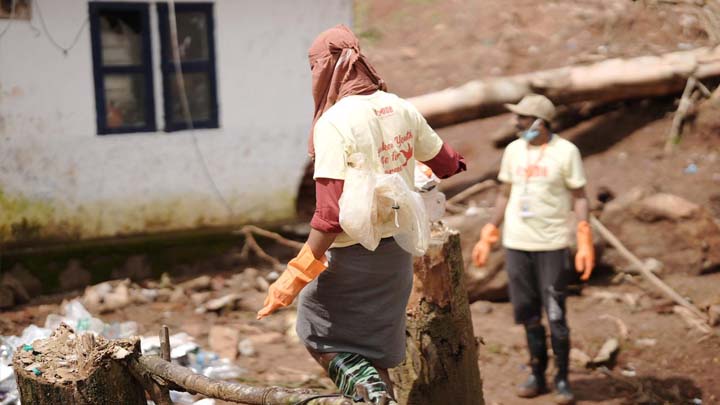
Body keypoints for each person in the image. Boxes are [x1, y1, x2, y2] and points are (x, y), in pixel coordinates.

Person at [256, 25, 466, 404]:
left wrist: (298, 270)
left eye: (315, 68)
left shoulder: (335, 122)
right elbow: (448, 163)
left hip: (349, 256)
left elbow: (330, 216)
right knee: (372, 351)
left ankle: (368, 392)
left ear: (329, 68)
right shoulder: (400, 106)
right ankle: (377, 395)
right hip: (396, 254)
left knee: (318, 334)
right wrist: (403, 166)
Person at [472, 94, 594, 405]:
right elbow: (505, 193)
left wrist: (583, 234)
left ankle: (563, 379)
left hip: (551, 244)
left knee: (555, 315)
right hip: (517, 244)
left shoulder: (566, 152)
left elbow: (579, 195)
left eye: (522, 118)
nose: (516, 123)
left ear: (540, 122)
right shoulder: (514, 151)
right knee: (527, 315)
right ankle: (537, 374)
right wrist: (490, 231)